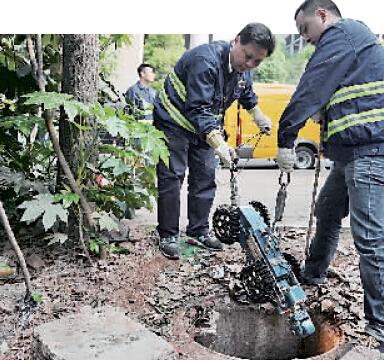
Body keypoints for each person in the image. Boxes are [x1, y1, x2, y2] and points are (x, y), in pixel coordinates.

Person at [276, 0, 384, 352]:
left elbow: (312, 84)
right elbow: (332, 90)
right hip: (351, 153)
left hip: (370, 151)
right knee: (326, 211)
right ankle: (313, 274)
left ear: (322, 15)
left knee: (369, 239)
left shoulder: (343, 33)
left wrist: (286, 136)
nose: (306, 39)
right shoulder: (352, 45)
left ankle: (380, 327)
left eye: (305, 30)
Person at [153, 23, 275, 260]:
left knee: (205, 176)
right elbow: (198, 109)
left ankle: (198, 230)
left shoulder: (243, 70)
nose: (249, 64)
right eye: (248, 56)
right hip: (173, 121)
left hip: (203, 126)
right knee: (172, 176)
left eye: (257, 62)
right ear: (236, 40)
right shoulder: (205, 61)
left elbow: (246, 94)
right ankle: (168, 234)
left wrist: (259, 116)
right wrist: (219, 144)